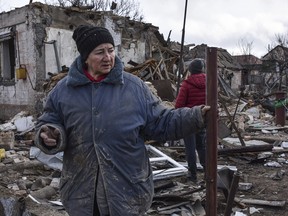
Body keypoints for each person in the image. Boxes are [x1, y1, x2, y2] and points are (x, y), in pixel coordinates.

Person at [34, 25, 210, 216]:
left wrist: (196, 116)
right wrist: (50, 134)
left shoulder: (134, 88)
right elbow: (49, 121)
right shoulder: (63, 91)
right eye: (100, 52)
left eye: (110, 50)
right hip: (81, 192)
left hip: (127, 192)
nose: (108, 57)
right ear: (85, 57)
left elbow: (162, 122)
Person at [175, 58, 207, 183]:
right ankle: (207, 173)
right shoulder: (209, 83)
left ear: (191, 70)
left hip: (189, 119)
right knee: (202, 146)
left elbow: (179, 105)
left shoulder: (187, 84)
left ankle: (192, 175)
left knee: (190, 148)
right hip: (203, 119)